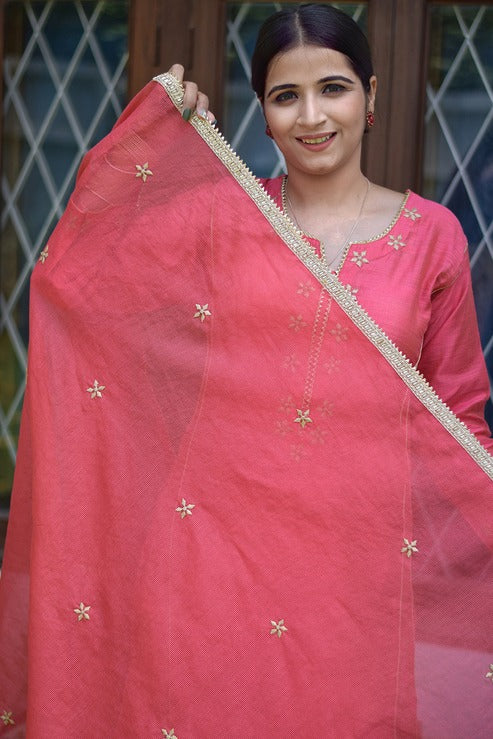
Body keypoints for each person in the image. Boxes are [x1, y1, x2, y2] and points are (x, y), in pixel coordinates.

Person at [0, 4, 492, 737]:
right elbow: (91, 259)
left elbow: (458, 416)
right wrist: (156, 129)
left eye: (333, 88)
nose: (311, 115)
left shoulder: (432, 237)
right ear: (261, 114)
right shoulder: (217, 217)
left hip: (353, 569)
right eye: (284, 96)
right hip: (209, 545)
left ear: (372, 96)